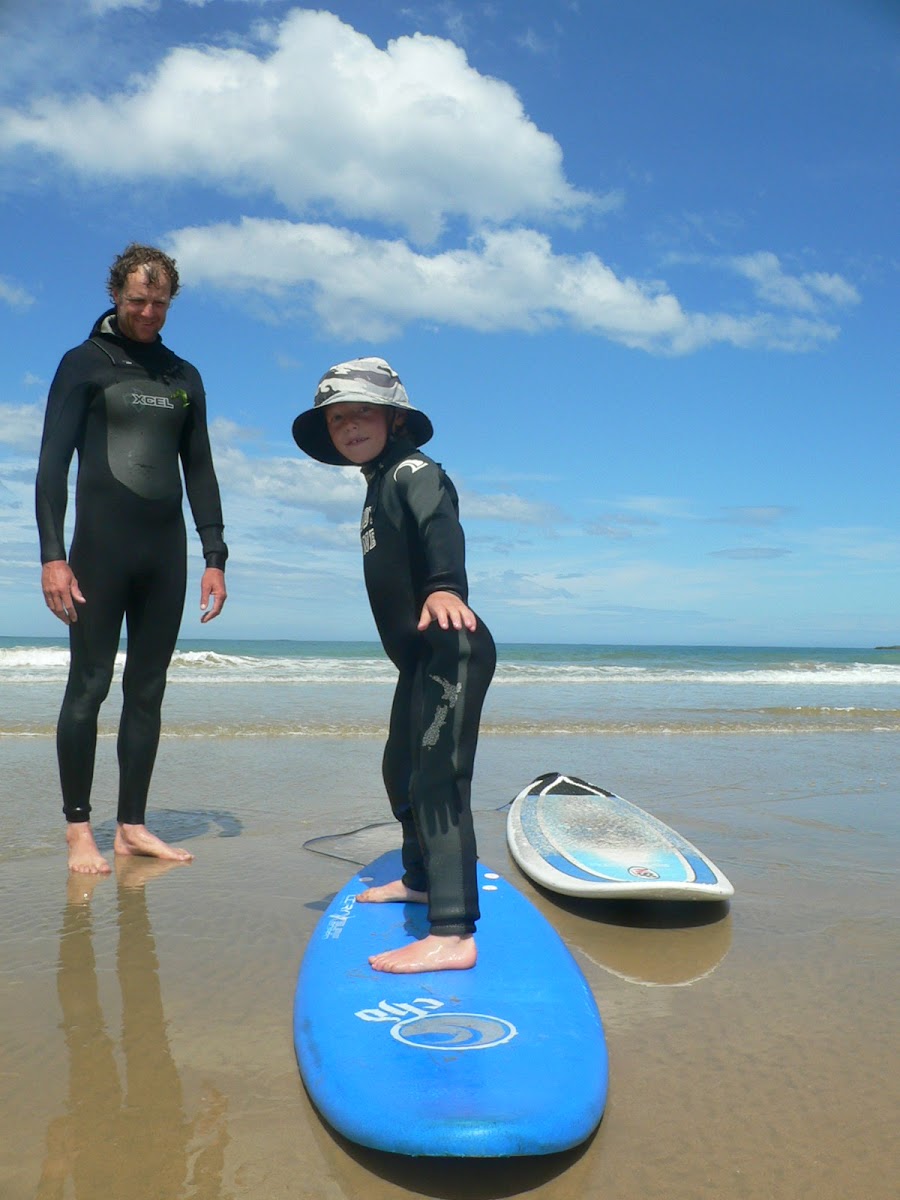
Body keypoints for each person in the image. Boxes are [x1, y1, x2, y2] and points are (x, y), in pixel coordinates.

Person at [292, 357, 496, 974]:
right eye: (337, 418)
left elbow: (440, 521)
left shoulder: (414, 471)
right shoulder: (376, 485)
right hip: (418, 660)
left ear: (394, 417)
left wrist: (443, 586)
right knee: (400, 771)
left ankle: (454, 933)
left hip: (449, 644)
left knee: (438, 781)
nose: (348, 426)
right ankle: (421, 880)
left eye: (361, 413)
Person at [35, 243, 228, 875]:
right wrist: (53, 557)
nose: (148, 312)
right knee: (88, 688)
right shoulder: (84, 363)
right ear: (116, 294)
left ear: (173, 302)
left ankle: (132, 827)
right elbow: (51, 468)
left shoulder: (183, 375)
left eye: (160, 302)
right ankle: (78, 830)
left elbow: (199, 469)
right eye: (138, 300)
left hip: (163, 555)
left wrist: (214, 555)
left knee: (147, 690)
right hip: (97, 552)